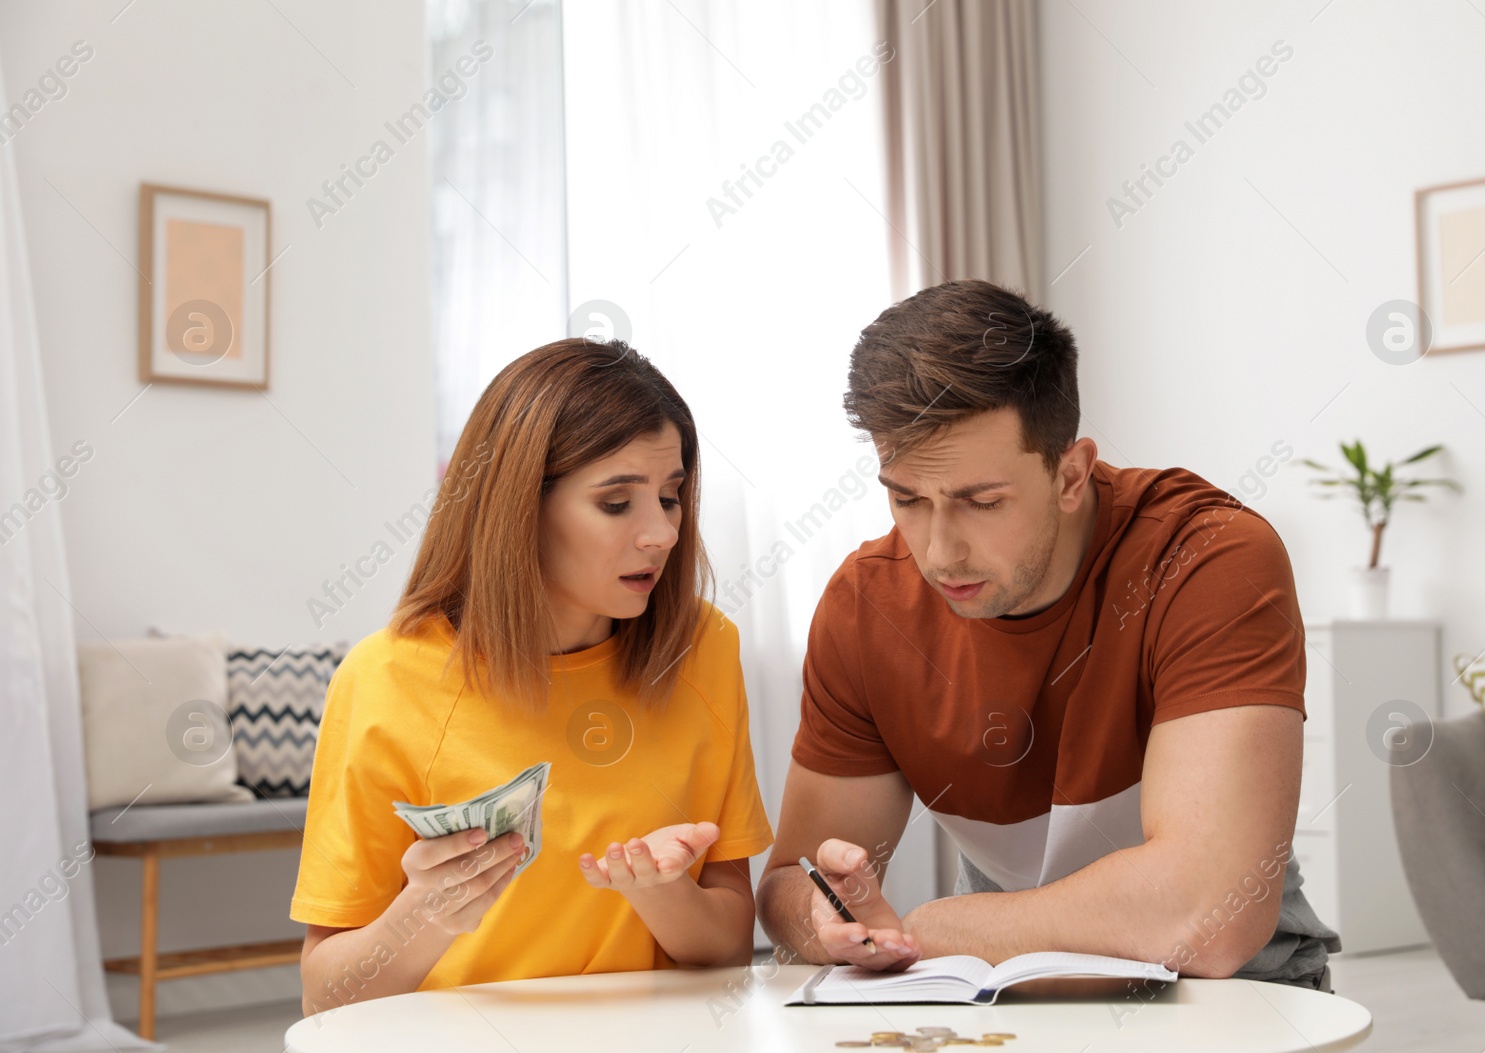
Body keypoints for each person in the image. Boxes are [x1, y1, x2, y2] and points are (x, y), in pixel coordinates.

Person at [756, 279, 1341, 994]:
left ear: (1071, 473)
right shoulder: (863, 607)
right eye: (906, 498)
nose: (939, 551)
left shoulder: (1209, 557)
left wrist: (939, 929)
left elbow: (1211, 916)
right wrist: (830, 921)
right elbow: (790, 881)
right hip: (1001, 991)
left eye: (981, 501)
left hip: (1231, 995)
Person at [293, 338, 772, 1014]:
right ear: (518, 505)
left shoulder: (700, 650)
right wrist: (427, 912)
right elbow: (325, 995)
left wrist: (659, 890)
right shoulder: (385, 678)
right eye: (616, 503)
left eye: (670, 497)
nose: (662, 532)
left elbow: (726, 947)